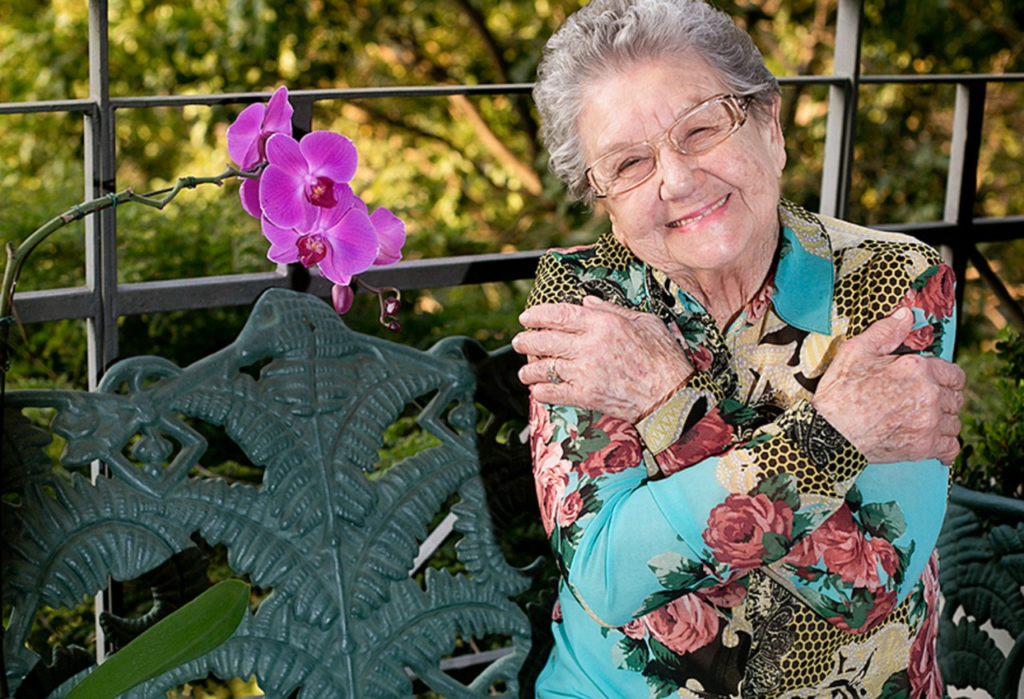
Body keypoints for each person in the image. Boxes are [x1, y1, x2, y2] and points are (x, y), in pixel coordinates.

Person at [510, 1, 966, 696]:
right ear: (602, 197)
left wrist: (671, 407)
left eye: (700, 128)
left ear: (770, 126)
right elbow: (610, 574)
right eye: (631, 162)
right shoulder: (587, 298)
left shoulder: (891, 282)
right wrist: (833, 434)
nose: (676, 179)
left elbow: (868, 583)